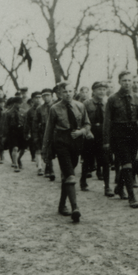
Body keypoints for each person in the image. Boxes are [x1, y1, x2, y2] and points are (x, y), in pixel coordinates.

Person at [43, 82, 91, 222]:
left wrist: (81, 131)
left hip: (76, 142)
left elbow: (87, 124)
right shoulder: (54, 108)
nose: (68, 94)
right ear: (59, 93)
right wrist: (45, 149)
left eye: (70, 91)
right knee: (70, 175)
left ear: (74, 91)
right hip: (61, 141)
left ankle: (62, 204)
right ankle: (75, 208)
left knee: (67, 175)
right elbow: (49, 129)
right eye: (64, 92)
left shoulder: (80, 106)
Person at [104, 71, 138, 208]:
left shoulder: (137, 99)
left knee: (131, 162)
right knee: (127, 163)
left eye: (129, 80)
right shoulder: (112, 99)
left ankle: (119, 187)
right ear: (119, 82)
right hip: (118, 133)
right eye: (124, 80)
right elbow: (107, 121)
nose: (127, 83)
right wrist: (106, 141)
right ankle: (132, 197)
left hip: (134, 133)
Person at [81, 81, 113, 196]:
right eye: (99, 89)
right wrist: (87, 131)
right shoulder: (86, 104)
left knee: (105, 161)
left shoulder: (107, 103)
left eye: (104, 89)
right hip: (90, 135)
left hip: (103, 136)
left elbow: (110, 120)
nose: (102, 91)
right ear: (93, 91)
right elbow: (81, 120)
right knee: (87, 159)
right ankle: (83, 181)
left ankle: (107, 187)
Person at [33, 88, 56, 180]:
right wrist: (35, 136)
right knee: (48, 151)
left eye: (48, 95)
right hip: (44, 132)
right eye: (44, 96)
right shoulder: (39, 109)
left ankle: (49, 168)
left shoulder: (57, 106)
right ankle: (50, 169)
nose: (46, 98)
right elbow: (35, 123)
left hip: (56, 131)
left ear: (52, 96)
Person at [2, 97, 26, 172]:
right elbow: (5, 124)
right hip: (12, 132)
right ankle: (15, 165)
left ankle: (18, 159)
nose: (20, 104)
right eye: (18, 103)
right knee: (14, 148)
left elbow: (26, 122)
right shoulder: (8, 113)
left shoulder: (23, 112)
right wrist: (5, 135)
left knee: (23, 149)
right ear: (14, 103)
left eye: (20, 103)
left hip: (21, 131)